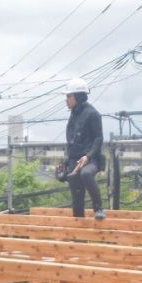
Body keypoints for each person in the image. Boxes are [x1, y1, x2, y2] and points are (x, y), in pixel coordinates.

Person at [63, 77, 106, 221]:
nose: (66, 99)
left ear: (78, 96)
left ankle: (98, 208)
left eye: (69, 96)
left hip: (91, 159)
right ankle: (78, 232)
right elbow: (72, 141)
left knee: (86, 174)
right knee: (76, 196)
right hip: (75, 160)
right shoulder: (74, 114)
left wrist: (87, 156)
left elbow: (98, 139)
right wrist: (66, 161)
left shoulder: (92, 114)